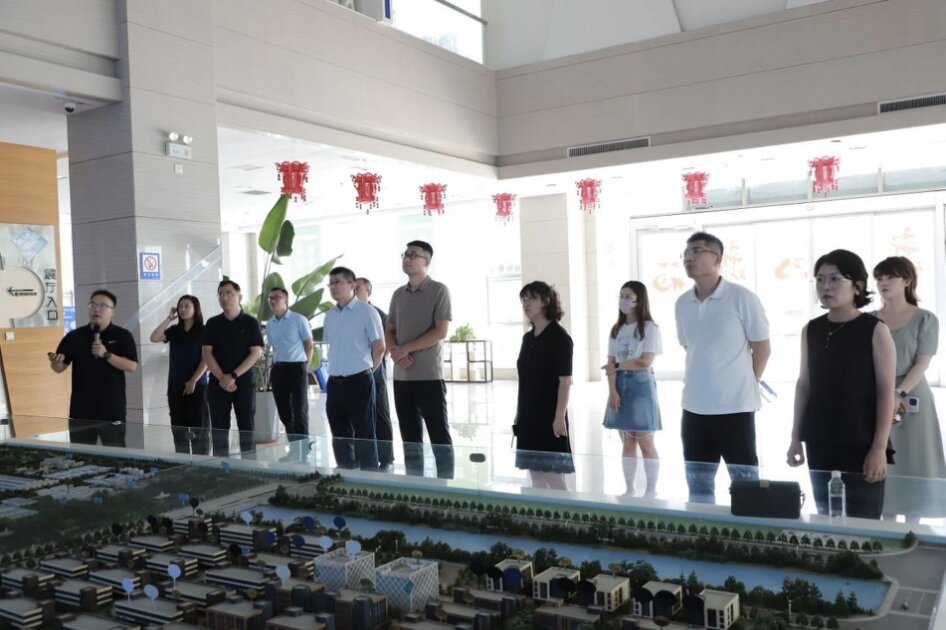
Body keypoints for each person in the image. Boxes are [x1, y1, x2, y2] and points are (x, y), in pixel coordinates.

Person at [787, 250, 896, 520]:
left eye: (835, 279)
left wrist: (879, 448)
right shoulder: (811, 329)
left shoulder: (875, 330)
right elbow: (804, 386)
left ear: (857, 285)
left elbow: (885, 392)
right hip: (820, 438)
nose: (825, 286)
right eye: (820, 279)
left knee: (864, 521)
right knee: (828, 517)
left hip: (862, 440)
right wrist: (795, 438)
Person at [675, 231, 771, 503]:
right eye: (686, 253)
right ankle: (702, 528)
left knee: (745, 486)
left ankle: (748, 529)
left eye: (696, 251)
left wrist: (745, 382)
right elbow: (691, 348)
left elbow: (762, 349)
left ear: (717, 258)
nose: (689, 258)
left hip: (735, 409)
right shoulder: (682, 303)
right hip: (694, 408)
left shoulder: (742, 298)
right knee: (698, 486)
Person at [872, 256, 946, 521]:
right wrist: (886, 395)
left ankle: (914, 524)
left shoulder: (925, 319)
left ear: (907, 280)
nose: (883, 283)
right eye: (879, 278)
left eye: (890, 277)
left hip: (912, 395)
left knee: (915, 457)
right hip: (877, 395)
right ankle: (887, 521)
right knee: (882, 455)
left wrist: (899, 392)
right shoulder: (869, 320)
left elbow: (922, 363)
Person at [386, 240, 454, 478]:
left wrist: (405, 349)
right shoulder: (398, 294)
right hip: (401, 377)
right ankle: (415, 484)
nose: (407, 259)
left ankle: (445, 486)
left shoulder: (439, 290)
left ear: (427, 261)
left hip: (428, 376)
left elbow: (441, 331)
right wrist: (395, 350)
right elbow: (389, 329)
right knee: (409, 436)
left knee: (438, 434)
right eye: (405, 254)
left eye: (413, 255)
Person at [49, 289, 138, 446]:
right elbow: (59, 368)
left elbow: (131, 366)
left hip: (112, 410)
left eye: (102, 306)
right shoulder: (74, 336)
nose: (96, 309)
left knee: (115, 456)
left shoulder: (122, 335)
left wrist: (106, 354)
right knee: (81, 456)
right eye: (93, 305)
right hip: (81, 411)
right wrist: (55, 362)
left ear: (113, 312)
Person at [601, 281, 662, 497]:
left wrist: (617, 366)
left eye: (628, 297)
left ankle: (651, 490)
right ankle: (629, 488)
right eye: (621, 296)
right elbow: (609, 363)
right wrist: (612, 391)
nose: (623, 300)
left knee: (645, 440)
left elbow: (645, 361)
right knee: (627, 441)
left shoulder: (649, 328)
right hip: (620, 384)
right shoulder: (616, 329)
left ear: (639, 301)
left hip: (641, 384)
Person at [514, 281, 574, 489]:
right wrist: (519, 413)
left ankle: (566, 510)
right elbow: (524, 380)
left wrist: (559, 417)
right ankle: (540, 510)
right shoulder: (527, 338)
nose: (526, 304)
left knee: (552, 474)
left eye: (531, 299)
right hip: (528, 414)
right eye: (523, 299)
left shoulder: (560, 338)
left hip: (549, 415)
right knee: (535, 473)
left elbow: (565, 381)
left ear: (546, 301)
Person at [324, 267, 385, 470]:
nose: (334, 287)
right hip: (335, 382)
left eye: (338, 282)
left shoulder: (366, 312)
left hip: (359, 380)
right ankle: (344, 473)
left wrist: (368, 372)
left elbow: (379, 347)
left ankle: (369, 477)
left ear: (352, 285)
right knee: (339, 433)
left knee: (365, 432)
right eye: (331, 283)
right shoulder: (330, 316)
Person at [202, 280, 264, 457]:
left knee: (246, 426)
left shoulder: (251, 322)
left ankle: (250, 466)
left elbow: (256, 352)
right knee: (219, 428)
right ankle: (222, 466)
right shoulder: (212, 323)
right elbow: (206, 352)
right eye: (221, 294)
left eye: (228, 293)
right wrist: (222, 377)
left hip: (243, 382)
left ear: (239, 296)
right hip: (218, 383)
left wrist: (234, 376)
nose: (224, 297)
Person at [148, 295, 209, 454]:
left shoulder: (204, 331)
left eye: (187, 306)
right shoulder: (174, 331)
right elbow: (154, 337)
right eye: (180, 306)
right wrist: (169, 318)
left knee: (199, 432)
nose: (182, 309)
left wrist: (193, 380)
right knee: (179, 432)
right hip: (175, 387)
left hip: (198, 387)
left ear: (195, 309)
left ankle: (202, 464)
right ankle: (183, 463)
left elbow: (207, 359)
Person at [265, 287, 314, 459]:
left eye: (276, 297)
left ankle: (304, 450)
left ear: (286, 301)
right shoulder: (270, 324)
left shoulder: (298, 319)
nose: (272, 300)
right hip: (278, 369)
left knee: (300, 410)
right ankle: (295, 448)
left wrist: (305, 366)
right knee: (284, 411)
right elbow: (273, 347)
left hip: (297, 368)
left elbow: (309, 344)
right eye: (270, 298)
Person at [355, 277, 394, 472]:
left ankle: (386, 458)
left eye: (358, 288)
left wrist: (371, 366)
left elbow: (385, 347)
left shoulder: (379, 314)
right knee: (357, 416)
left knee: (380, 414)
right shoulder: (349, 315)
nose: (354, 291)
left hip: (375, 373)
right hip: (353, 374)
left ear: (368, 291)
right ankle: (360, 456)